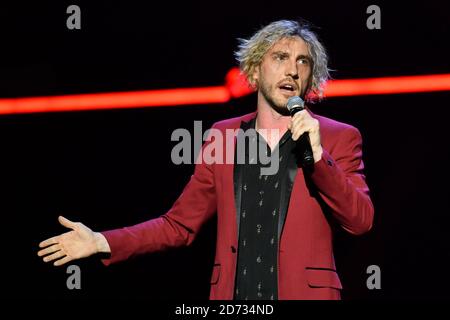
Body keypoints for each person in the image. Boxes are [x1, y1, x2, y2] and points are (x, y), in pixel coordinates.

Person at [38, 19, 374, 300]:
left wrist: (318, 157)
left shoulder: (337, 137)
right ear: (255, 71)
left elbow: (360, 221)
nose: (293, 69)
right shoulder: (222, 136)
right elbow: (180, 225)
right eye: (281, 57)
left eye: (303, 61)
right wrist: (102, 240)